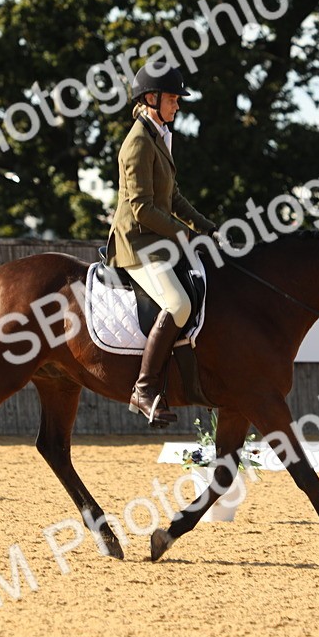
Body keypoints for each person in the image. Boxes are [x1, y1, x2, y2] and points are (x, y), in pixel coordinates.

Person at [105, 63, 218, 426]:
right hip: (135, 243)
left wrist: (205, 225)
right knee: (178, 303)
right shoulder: (138, 142)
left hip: (157, 239)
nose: (177, 105)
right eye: (172, 98)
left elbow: (173, 197)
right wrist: (187, 237)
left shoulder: (159, 136)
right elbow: (142, 208)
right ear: (151, 99)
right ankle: (144, 388)